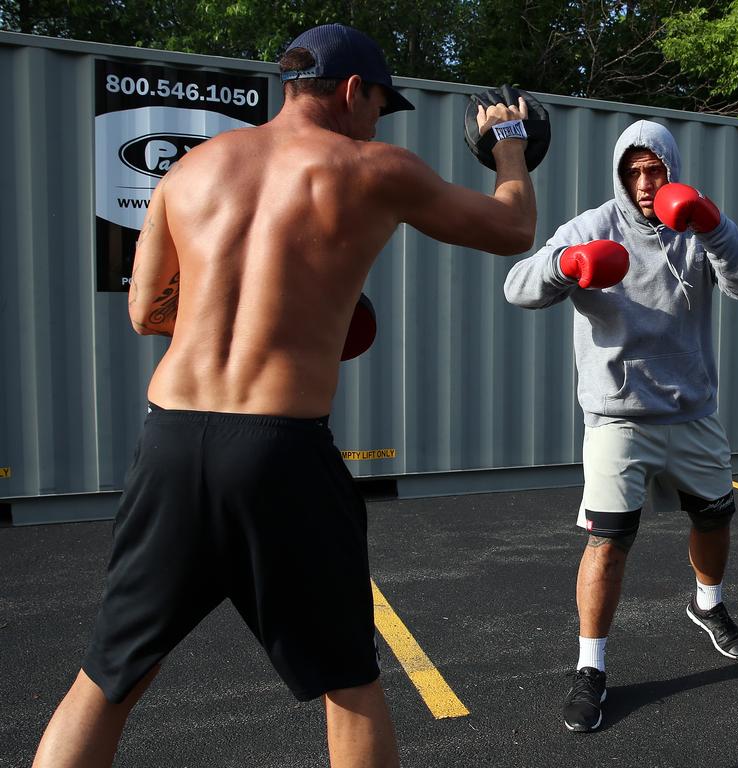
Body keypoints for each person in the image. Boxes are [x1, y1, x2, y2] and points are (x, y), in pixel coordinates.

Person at [32, 23, 536, 768]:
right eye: (377, 107)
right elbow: (513, 227)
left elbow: (145, 313)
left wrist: (229, 311)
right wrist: (512, 146)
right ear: (352, 91)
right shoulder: (373, 167)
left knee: (107, 677)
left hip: (172, 441)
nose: (375, 123)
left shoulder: (189, 171)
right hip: (278, 451)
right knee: (349, 682)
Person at [503, 119, 738, 732]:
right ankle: (590, 666)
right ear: (622, 175)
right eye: (634, 172)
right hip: (618, 416)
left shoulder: (697, 225)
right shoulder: (593, 225)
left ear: (670, 170)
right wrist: (568, 264)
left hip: (692, 411)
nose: (646, 183)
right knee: (609, 541)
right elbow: (518, 286)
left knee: (716, 516)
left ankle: (708, 605)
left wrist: (714, 224)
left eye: (656, 171)